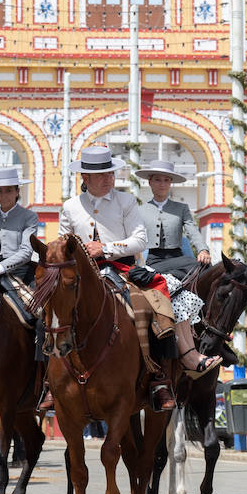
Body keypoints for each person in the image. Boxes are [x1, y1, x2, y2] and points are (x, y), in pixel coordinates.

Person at [57, 144, 218, 413]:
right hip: (82, 275)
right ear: (86, 178)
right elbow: (64, 243)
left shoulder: (126, 201)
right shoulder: (71, 206)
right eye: (103, 175)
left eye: (111, 173)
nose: (110, 178)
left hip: (121, 269)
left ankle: (160, 378)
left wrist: (105, 248)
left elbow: (140, 240)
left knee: (159, 305)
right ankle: (50, 385)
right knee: (48, 309)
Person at [135, 158, 216, 372]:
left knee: (206, 271)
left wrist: (203, 250)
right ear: (150, 183)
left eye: (166, 180)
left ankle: (209, 325)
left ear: (170, 183)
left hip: (177, 258)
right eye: (158, 180)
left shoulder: (181, 208)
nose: (162, 184)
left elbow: (192, 231)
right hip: (154, 260)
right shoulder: (140, 210)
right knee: (164, 284)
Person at [0, 166, 40, 295]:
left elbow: (26, 252)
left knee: (32, 311)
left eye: (8, 190)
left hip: (20, 275)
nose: (3, 195)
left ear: (17, 191)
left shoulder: (29, 217)